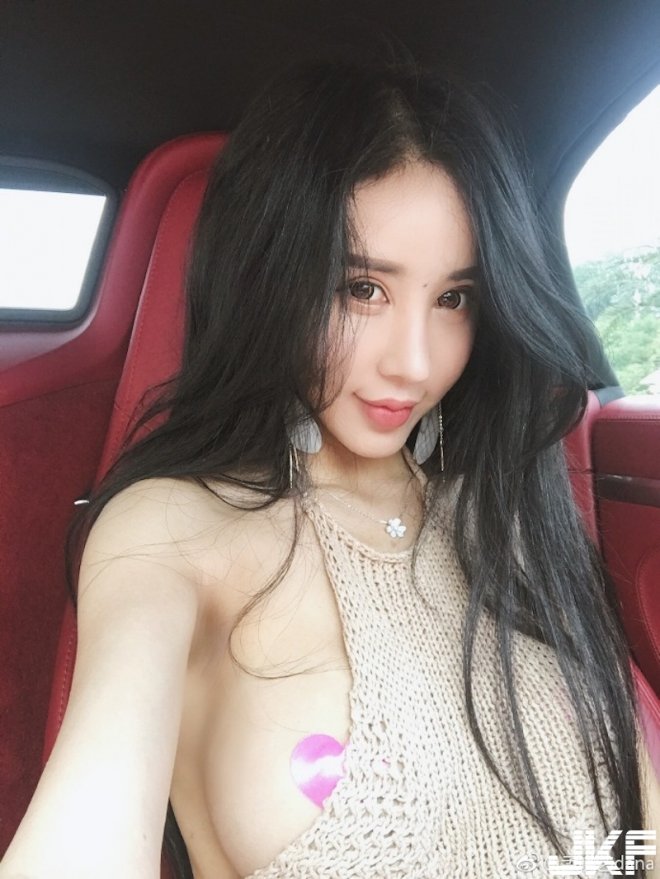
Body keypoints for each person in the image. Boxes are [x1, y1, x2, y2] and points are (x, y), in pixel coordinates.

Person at [1, 50, 658, 879]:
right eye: (362, 289)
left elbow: (639, 832)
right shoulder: (176, 529)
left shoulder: (508, 511)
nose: (413, 362)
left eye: (453, 298)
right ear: (270, 280)